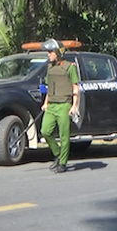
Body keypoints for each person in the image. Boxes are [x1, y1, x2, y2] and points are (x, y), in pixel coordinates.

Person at [40, 38, 80, 173]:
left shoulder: (70, 67)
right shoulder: (50, 68)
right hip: (51, 105)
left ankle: (63, 163)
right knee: (45, 131)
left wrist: (74, 106)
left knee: (64, 136)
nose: (48, 54)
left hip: (64, 105)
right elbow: (49, 87)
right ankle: (57, 154)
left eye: (51, 52)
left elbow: (75, 87)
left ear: (58, 53)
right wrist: (46, 103)